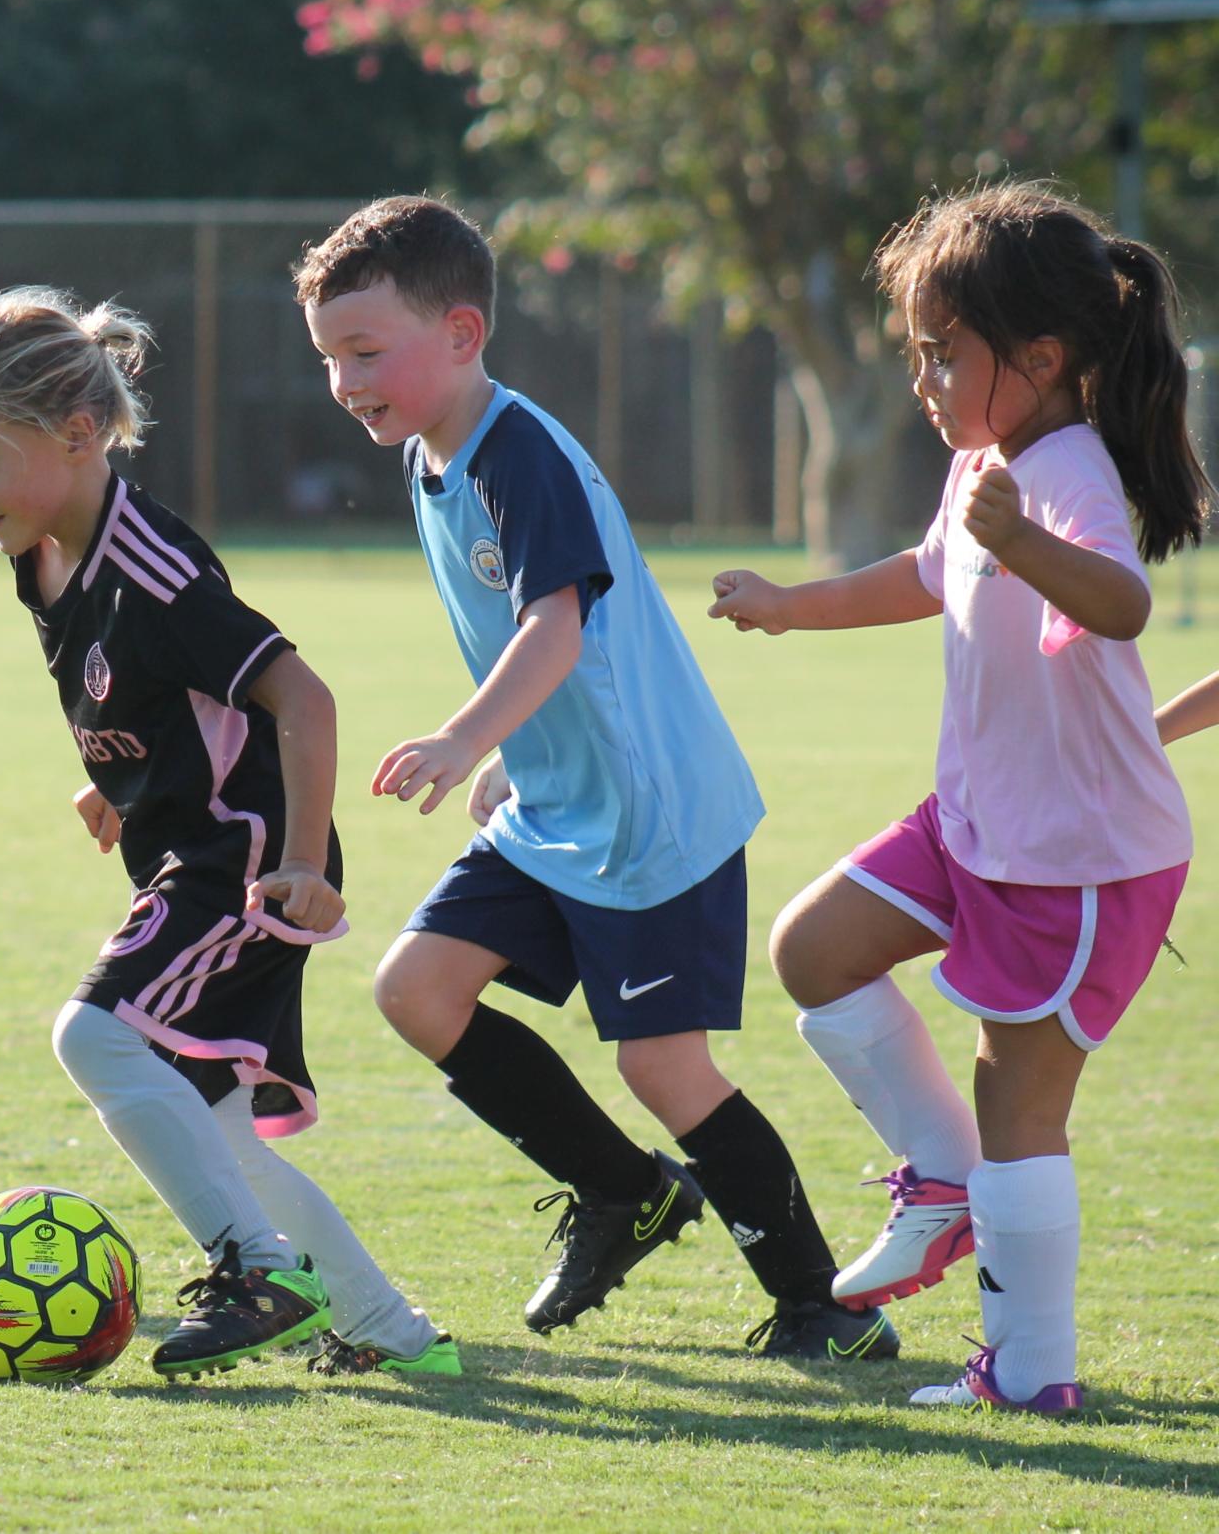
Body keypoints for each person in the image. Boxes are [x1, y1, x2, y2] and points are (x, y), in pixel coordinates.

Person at [296, 195, 892, 1360]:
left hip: (650, 813)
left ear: (461, 334)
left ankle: (819, 1304)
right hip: (553, 803)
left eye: (364, 352)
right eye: (327, 358)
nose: (341, 380)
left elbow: (555, 630)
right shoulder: (433, 458)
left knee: (661, 1064)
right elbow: (541, 653)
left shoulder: (515, 451)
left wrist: (466, 738)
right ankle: (625, 1192)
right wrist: (514, 755)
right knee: (416, 991)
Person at [0, 287, 455, 1380]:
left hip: (244, 859)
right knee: (217, 1130)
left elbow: (303, 701)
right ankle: (390, 1333)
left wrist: (298, 862)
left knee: (93, 1034)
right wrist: (126, 786)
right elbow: (144, 700)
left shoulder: (154, 564)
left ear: (75, 432)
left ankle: (257, 1272)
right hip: (191, 841)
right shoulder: (42, 551)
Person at [711, 180, 1210, 1414]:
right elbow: (926, 573)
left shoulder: (1064, 471)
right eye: (914, 354)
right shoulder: (987, 462)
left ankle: (1030, 1373)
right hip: (975, 821)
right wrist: (789, 604)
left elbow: (1120, 601)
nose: (923, 381)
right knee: (811, 950)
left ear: (1038, 359)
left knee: (1016, 1102)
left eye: (945, 355)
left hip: (1078, 857)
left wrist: (1028, 538)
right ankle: (941, 1183)